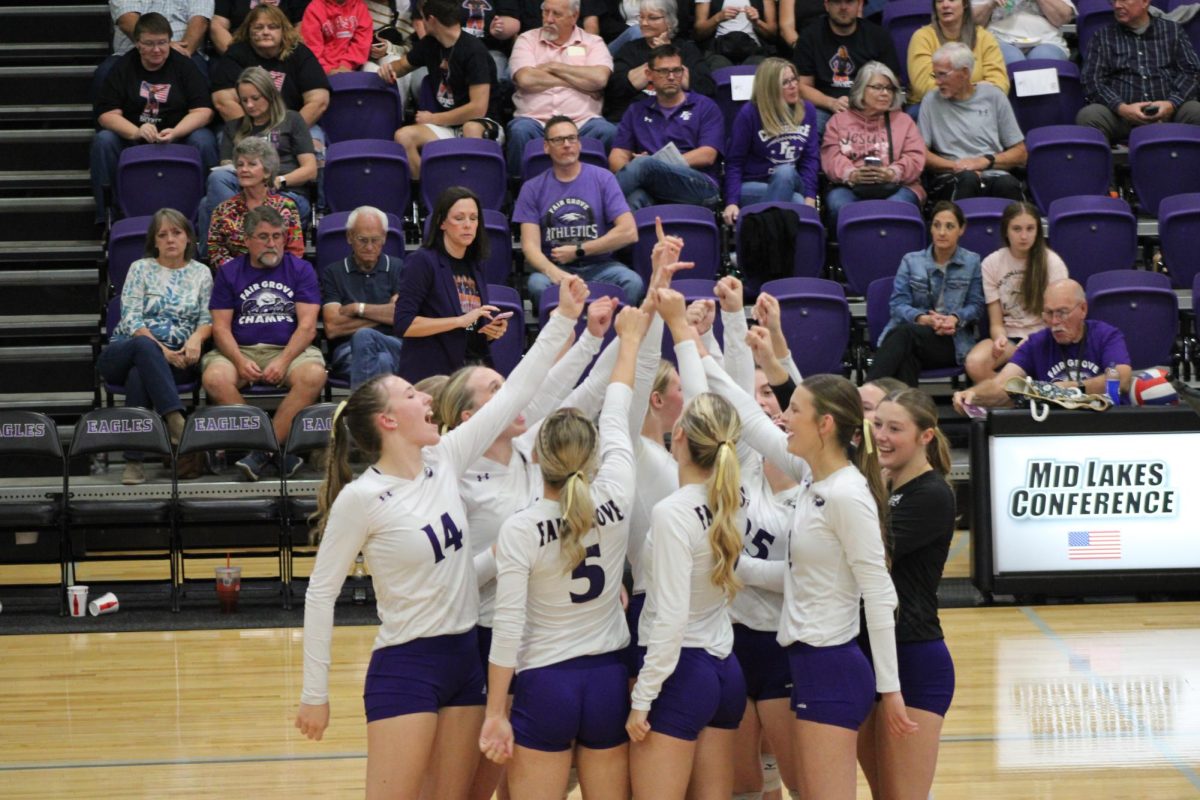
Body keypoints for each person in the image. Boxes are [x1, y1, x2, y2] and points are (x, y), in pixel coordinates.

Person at [294, 276, 587, 799]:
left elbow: (517, 390)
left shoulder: (445, 460)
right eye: (411, 395)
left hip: (464, 659)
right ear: (388, 420)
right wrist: (314, 693)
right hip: (407, 664)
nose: (428, 399)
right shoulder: (361, 499)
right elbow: (320, 594)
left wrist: (564, 318)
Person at [704, 365, 916, 800]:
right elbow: (747, 414)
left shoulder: (847, 494)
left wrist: (890, 689)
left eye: (794, 410)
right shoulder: (811, 477)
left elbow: (880, 594)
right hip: (808, 663)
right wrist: (695, 343)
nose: (783, 417)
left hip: (832, 666)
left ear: (824, 424)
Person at [478, 306, 647, 799]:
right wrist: (630, 341)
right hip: (607, 680)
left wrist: (494, 714)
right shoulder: (616, 492)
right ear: (593, 456)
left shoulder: (520, 528)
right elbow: (616, 408)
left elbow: (507, 628)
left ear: (538, 458)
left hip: (545, 683)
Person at [626, 289, 748, 800]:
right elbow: (707, 406)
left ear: (678, 436)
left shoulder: (673, 511)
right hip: (725, 669)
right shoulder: (732, 494)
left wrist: (642, 698)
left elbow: (670, 616)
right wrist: (687, 335)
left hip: (680, 671)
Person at [858, 387, 956, 800]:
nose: (881, 435)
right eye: (877, 424)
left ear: (925, 437)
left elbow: (871, 558)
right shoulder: (881, 485)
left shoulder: (932, 494)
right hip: (867, 653)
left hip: (913, 657)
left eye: (895, 428)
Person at [202, 206, 327, 480]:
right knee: (214, 378)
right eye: (263, 237)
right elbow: (220, 327)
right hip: (240, 350)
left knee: (315, 374)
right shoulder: (229, 272)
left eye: (277, 236)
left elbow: (307, 327)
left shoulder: (301, 270)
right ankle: (277, 451)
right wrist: (238, 360)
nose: (272, 243)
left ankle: (261, 452)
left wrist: (283, 361)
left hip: (289, 350)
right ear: (247, 241)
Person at [98, 208, 212, 485]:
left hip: (179, 360)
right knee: (143, 347)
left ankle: (134, 462)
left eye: (176, 233)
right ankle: (175, 419)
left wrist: (196, 339)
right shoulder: (141, 268)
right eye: (163, 235)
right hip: (124, 351)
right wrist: (164, 352)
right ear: (155, 242)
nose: (170, 239)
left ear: (188, 238)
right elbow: (132, 318)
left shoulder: (201, 273)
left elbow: (207, 319)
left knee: (140, 375)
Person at [91, 12, 217, 225]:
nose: (157, 50)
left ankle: (206, 214)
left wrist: (176, 132)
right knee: (104, 141)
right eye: (149, 44)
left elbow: (203, 111)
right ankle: (110, 216)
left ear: (170, 41)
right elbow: (107, 114)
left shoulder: (184, 66)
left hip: (177, 135)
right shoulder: (122, 67)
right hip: (134, 135)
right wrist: (136, 131)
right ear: (138, 44)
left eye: (162, 43)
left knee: (204, 140)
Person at [514, 116, 642, 308]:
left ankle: (612, 336)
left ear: (579, 143)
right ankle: (562, 336)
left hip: (601, 267)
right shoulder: (532, 188)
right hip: (557, 267)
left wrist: (579, 250)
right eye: (558, 140)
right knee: (537, 285)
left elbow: (629, 232)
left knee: (632, 282)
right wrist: (553, 272)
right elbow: (530, 247)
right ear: (546, 147)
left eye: (572, 138)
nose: (567, 145)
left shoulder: (603, 178)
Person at [952, 278, 1132, 412]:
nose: (1054, 321)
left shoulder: (1106, 335)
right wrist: (973, 395)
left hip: (1104, 422)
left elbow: (1122, 379)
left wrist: (1070, 389)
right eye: (1048, 313)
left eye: (1062, 313)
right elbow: (1003, 385)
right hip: (1056, 429)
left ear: (1083, 309)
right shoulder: (1036, 343)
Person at [393, 186, 507, 384]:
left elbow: (468, 330)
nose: (468, 225)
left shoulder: (475, 264)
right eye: (459, 218)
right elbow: (404, 324)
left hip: (471, 370)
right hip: (432, 375)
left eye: (473, 218)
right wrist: (458, 321)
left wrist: (488, 332)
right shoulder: (422, 262)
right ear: (442, 222)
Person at [380, 0, 503, 180]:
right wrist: (388, 69)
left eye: (422, 19)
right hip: (448, 125)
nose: (420, 23)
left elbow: (478, 108)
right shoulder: (431, 43)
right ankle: (428, 193)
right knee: (403, 136)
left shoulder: (474, 51)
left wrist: (434, 118)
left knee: (471, 128)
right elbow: (402, 66)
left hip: (484, 123)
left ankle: (473, 190)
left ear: (431, 20)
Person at [867, 201, 985, 387]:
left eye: (949, 226)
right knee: (906, 358)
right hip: (912, 336)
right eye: (937, 225)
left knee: (903, 336)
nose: (942, 232)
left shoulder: (972, 262)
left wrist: (954, 318)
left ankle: (865, 393)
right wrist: (923, 319)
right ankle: (909, 414)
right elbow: (897, 305)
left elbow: (976, 306)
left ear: (961, 229)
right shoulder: (911, 260)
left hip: (950, 341)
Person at [505, 0, 617, 175]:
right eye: (545, 12)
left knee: (608, 131)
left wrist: (554, 67)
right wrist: (580, 80)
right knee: (519, 131)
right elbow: (526, 79)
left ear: (574, 16)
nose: (548, 19)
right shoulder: (526, 40)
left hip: (583, 122)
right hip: (535, 121)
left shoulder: (593, 42)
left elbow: (600, 79)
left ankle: (602, 188)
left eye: (556, 14)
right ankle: (518, 192)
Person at [204, 66, 317, 236]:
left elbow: (310, 170)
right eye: (244, 100)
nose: (249, 105)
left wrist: (279, 180)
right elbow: (226, 171)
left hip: (286, 192)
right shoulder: (234, 127)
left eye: (255, 98)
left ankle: (238, 238)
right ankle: (236, 242)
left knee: (208, 205)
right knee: (213, 187)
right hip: (246, 194)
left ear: (270, 94)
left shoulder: (292, 120)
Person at [963, 200, 1068, 383]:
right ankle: (1016, 401)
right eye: (1017, 229)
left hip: (1045, 338)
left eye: (1030, 229)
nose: (1024, 236)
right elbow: (996, 322)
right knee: (974, 363)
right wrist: (999, 339)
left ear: (1038, 231)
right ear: (1006, 231)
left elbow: (1058, 319)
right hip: (1010, 339)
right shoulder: (991, 263)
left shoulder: (1052, 262)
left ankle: (1014, 395)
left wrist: (1031, 342)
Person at [610, 45, 725, 211]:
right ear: (649, 75)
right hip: (654, 185)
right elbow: (617, 156)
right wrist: (637, 169)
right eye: (664, 71)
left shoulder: (704, 106)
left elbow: (707, 155)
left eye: (677, 70)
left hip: (700, 185)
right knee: (635, 198)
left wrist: (652, 165)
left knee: (644, 165)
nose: (671, 77)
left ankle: (594, 208)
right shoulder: (636, 110)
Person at [1077, 0, 1200, 143]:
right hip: (1121, 116)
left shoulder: (1173, 31)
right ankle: (1103, 164)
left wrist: (1171, 104)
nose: (1117, 5)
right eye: (1114, 1)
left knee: (1196, 111)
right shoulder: (1103, 37)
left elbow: (1190, 72)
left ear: (1145, 2)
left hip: (1170, 112)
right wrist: (1121, 108)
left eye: (1124, 0)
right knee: (1089, 116)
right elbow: (1092, 81)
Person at [820, 61, 926, 227]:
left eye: (889, 88)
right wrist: (852, 174)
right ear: (861, 89)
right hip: (850, 186)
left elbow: (915, 157)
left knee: (897, 207)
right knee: (839, 205)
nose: (885, 93)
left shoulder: (904, 121)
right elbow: (831, 158)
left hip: (898, 185)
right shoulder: (838, 121)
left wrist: (892, 173)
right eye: (877, 87)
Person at [209, 4, 331, 146]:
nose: (265, 32)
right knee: (228, 141)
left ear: (283, 30)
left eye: (272, 27)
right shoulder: (235, 54)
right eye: (258, 27)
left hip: (293, 125)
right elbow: (223, 102)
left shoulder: (300, 53)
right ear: (249, 30)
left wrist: (286, 133)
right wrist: (257, 135)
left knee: (315, 144)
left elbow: (318, 101)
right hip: (245, 128)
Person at [919, 42, 1026, 203]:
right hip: (952, 175)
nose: (937, 82)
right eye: (935, 75)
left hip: (992, 171)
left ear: (964, 73)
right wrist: (958, 166)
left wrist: (983, 162)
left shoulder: (994, 96)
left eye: (942, 75)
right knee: (968, 180)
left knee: (1008, 185)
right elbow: (921, 153)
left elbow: (1021, 153)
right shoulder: (931, 101)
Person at [722, 58, 820, 227]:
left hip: (792, 180)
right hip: (754, 184)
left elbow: (810, 159)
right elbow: (734, 163)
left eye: (794, 79)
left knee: (785, 172)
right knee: (795, 200)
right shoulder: (749, 114)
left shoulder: (807, 110)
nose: (793, 85)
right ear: (769, 88)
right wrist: (731, 202)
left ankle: (760, 238)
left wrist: (810, 196)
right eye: (785, 82)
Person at [320, 206, 405, 388]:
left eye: (375, 240)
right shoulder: (333, 272)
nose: (369, 247)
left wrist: (358, 309)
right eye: (362, 240)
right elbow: (333, 327)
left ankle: (361, 414)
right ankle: (379, 413)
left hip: (392, 345)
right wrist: (384, 315)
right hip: (348, 349)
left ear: (383, 238)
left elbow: (401, 315)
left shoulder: (399, 268)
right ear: (349, 237)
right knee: (375, 354)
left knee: (376, 349)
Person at [793, 0, 901, 138]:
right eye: (837, 2)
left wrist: (866, 103)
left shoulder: (878, 36)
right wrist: (831, 103)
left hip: (870, 104)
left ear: (859, 5)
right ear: (827, 5)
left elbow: (892, 82)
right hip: (825, 106)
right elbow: (802, 87)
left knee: (896, 127)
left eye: (849, 1)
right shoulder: (809, 36)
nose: (843, 7)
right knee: (811, 127)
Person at [605, 0, 715, 123]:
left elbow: (706, 87)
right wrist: (656, 59)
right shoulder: (630, 49)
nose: (644, 23)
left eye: (653, 18)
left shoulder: (687, 49)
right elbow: (615, 89)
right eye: (641, 17)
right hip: (636, 118)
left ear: (669, 21)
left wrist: (667, 55)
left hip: (680, 118)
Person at [205, 137, 306, 267]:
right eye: (240, 165)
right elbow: (215, 250)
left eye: (252, 164)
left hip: (278, 279)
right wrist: (242, 274)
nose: (244, 169)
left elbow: (295, 251)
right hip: (237, 279)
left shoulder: (286, 207)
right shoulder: (224, 209)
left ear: (267, 172)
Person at [91, 0, 213, 97]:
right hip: (134, 50)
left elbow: (200, 21)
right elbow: (126, 19)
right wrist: (160, 45)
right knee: (105, 73)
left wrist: (182, 53)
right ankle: (107, 128)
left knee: (198, 72)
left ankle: (198, 128)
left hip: (185, 50)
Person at [906, 0, 1009, 108]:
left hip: (979, 105)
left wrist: (966, 94)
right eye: (939, 1)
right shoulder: (922, 37)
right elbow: (923, 86)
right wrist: (970, 90)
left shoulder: (984, 37)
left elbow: (1000, 83)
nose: (945, 5)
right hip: (934, 105)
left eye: (952, 0)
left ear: (964, 4)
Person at [971, 0, 1074, 64]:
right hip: (999, 39)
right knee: (1013, 62)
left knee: (1043, 61)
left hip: (1046, 40)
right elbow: (973, 23)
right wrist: (991, 4)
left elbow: (1064, 18)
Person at [693, 0, 778, 70]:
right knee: (719, 67)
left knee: (757, 69)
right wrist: (718, 18)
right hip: (719, 48)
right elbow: (699, 32)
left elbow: (773, 33)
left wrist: (757, 22)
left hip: (753, 48)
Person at [300, 0, 374, 74]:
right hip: (320, 70)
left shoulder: (360, 7)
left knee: (378, 74)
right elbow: (312, 49)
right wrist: (328, 70)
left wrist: (346, 65)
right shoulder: (314, 8)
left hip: (352, 67)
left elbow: (361, 44)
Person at [210, 0, 308, 55]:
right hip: (237, 52)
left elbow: (301, 25)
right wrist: (236, 57)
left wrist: (283, 54)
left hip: (282, 54)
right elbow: (217, 25)